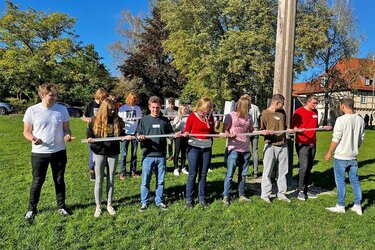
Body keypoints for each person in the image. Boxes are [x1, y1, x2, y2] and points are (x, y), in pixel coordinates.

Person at [23, 83, 73, 221]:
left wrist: (67, 135)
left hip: (59, 151)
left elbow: (66, 129)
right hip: (39, 153)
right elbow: (26, 132)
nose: (55, 97)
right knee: (37, 181)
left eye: (56, 95)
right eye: (52, 95)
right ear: (42, 95)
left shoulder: (62, 110)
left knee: (59, 180)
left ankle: (61, 206)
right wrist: (32, 138)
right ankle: (31, 209)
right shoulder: (32, 110)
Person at [137, 96, 180, 211]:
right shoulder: (143, 120)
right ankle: (144, 202)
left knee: (160, 181)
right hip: (148, 155)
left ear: (161, 107)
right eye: (153, 107)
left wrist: (174, 135)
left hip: (161, 155)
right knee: (145, 181)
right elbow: (138, 135)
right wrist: (140, 137)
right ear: (149, 107)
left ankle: (159, 201)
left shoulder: (164, 120)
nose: (155, 110)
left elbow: (170, 133)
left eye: (157, 107)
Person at [324, 97, 365, 215]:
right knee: (355, 181)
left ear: (343, 106)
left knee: (340, 181)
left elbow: (336, 138)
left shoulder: (341, 120)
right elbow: (361, 138)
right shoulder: (360, 120)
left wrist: (329, 152)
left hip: (341, 156)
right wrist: (355, 148)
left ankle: (340, 205)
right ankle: (358, 205)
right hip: (353, 156)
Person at [87, 99, 127, 217]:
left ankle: (109, 204)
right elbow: (89, 135)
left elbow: (121, 134)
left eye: (114, 109)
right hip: (99, 153)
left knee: (111, 179)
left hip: (113, 153)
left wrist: (125, 137)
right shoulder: (94, 121)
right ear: (104, 109)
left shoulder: (117, 121)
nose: (113, 111)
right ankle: (98, 206)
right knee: (99, 180)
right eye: (110, 109)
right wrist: (92, 141)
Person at [183, 97, 224, 208]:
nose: (210, 109)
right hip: (194, 148)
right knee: (192, 173)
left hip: (207, 148)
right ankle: (189, 200)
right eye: (208, 107)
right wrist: (186, 133)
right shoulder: (192, 116)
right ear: (202, 106)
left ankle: (202, 198)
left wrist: (221, 134)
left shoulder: (210, 117)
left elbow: (211, 132)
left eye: (211, 107)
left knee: (203, 174)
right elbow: (187, 130)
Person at [222, 94, 254, 205]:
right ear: (244, 106)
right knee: (230, 174)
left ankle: (241, 194)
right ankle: (226, 195)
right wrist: (228, 134)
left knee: (243, 174)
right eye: (249, 105)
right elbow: (224, 130)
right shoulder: (230, 116)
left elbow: (251, 130)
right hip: (234, 148)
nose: (250, 107)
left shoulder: (249, 117)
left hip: (245, 149)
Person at [260, 94, 291, 203]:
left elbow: (285, 127)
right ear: (276, 103)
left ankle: (281, 193)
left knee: (283, 171)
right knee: (267, 171)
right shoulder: (265, 114)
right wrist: (266, 133)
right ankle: (265, 195)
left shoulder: (282, 113)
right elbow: (260, 130)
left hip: (283, 145)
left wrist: (289, 130)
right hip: (270, 146)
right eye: (282, 103)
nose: (283, 106)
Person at [292, 94, 321, 201]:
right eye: (314, 103)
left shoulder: (315, 112)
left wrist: (323, 127)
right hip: (302, 143)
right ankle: (300, 190)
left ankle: (305, 189)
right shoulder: (299, 112)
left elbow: (315, 126)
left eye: (316, 103)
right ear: (307, 102)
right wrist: (298, 130)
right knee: (303, 167)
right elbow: (294, 127)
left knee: (309, 167)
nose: (315, 105)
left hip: (312, 143)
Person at [82, 88, 108, 181]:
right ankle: (92, 171)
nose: (102, 101)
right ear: (98, 96)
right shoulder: (91, 104)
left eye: (104, 99)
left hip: (103, 132)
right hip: (92, 132)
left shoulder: (104, 105)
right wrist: (88, 120)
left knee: (103, 151)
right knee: (93, 152)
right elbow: (83, 117)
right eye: (102, 98)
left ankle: (101, 170)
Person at [118, 92, 142, 179]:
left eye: (136, 99)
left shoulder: (137, 108)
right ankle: (122, 172)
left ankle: (133, 171)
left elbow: (139, 122)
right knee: (124, 154)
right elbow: (119, 122)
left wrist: (138, 132)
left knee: (134, 154)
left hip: (135, 133)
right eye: (133, 99)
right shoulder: (122, 108)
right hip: (125, 134)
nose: (134, 100)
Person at [172, 104, 189, 176]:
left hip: (186, 136)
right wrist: (180, 120)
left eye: (186, 109)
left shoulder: (189, 117)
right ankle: (176, 168)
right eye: (184, 109)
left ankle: (183, 167)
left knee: (184, 152)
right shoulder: (177, 117)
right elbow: (175, 128)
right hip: (179, 136)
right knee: (177, 151)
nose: (185, 110)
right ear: (180, 110)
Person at [249, 101, 261, 177]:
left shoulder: (244, 106)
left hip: (247, 130)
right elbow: (259, 117)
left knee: (246, 150)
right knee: (255, 151)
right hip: (256, 129)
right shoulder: (256, 107)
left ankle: (244, 171)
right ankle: (255, 171)